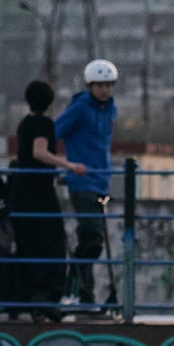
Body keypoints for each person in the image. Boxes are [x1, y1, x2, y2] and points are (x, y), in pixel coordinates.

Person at [8, 79, 84, 318]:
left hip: (22, 190)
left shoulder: (24, 124)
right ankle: (47, 296)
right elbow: (39, 153)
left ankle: (29, 297)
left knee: (29, 244)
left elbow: (28, 156)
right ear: (50, 102)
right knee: (53, 242)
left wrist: (57, 174)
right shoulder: (43, 123)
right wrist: (68, 165)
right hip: (38, 192)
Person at [54, 59, 119, 308]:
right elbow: (54, 131)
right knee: (92, 239)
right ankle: (74, 281)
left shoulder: (110, 110)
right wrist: (65, 165)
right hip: (82, 182)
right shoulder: (80, 108)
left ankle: (85, 295)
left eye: (109, 85)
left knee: (88, 239)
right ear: (90, 86)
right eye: (100, 85)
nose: (105, 90)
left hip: (102, 181)